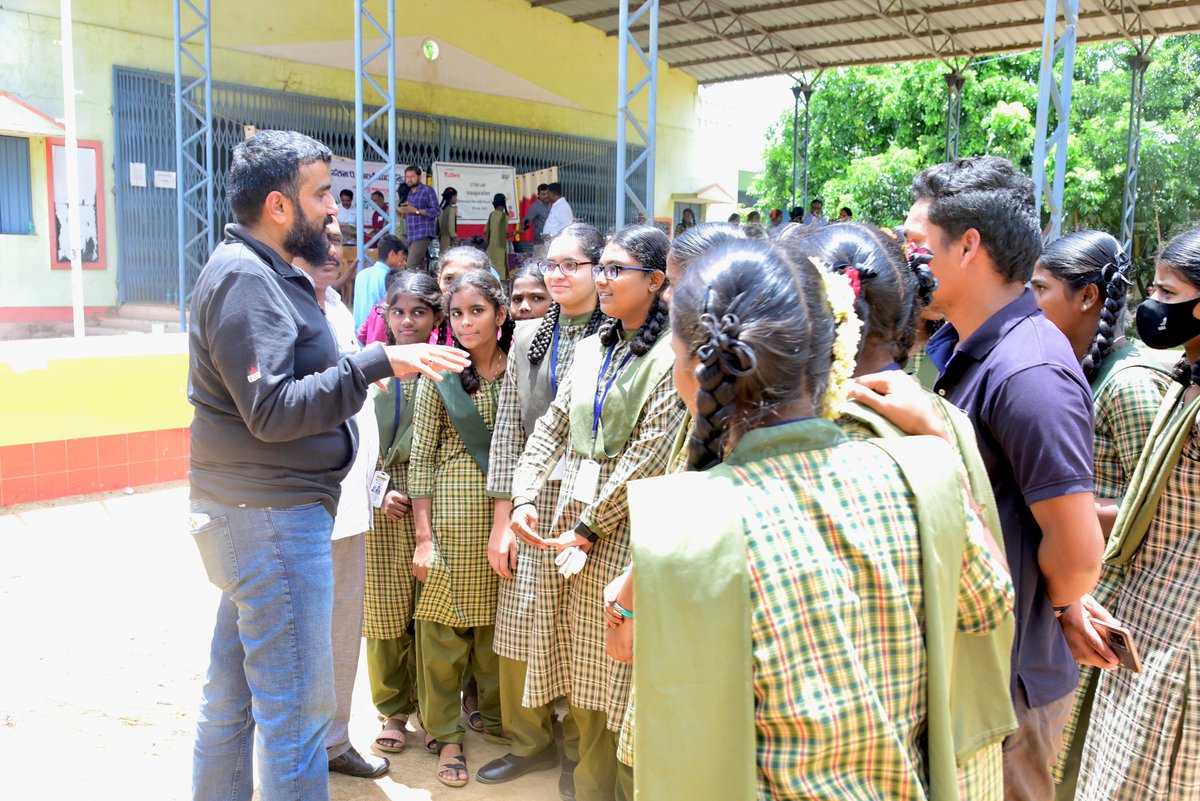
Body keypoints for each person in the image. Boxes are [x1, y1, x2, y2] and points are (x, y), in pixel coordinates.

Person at [627, 239, 1013, 800]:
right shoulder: (923, 471)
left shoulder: (683, 522)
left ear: (692, 367)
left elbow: (642, 666)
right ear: (829, 350)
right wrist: (938, 451)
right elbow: (989, 605)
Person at [186, 129, 469, 801]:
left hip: (262, 518)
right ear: (280, 206)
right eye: (322, 195)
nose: (336, 211)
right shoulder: (248, 279)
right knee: (295, 720)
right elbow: (273, 408)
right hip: (270, 524)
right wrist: (377, 361)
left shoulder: (262, 273)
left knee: (234, 699)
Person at [898, 156, 1103, 801]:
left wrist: (1066, 605)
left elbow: (1075, 550)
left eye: (916, 248)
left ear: (968, 247)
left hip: (1009, 684)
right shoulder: (968, 347)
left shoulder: (1028, 373)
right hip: (976, 666)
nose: (908, 265)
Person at [509, 224, 686, 801]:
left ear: (657, 282)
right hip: (569, 518)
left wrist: (589, 526)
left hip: (624, 528)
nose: (603, 280)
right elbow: (550, 428)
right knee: (579, 663)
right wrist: (527, 494)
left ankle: (611, 786)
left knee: (617, 667)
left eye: (615, 270)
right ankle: (587, 783)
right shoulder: (592, 347)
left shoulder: (669, 356)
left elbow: (651, 454)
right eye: (601, 267)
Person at [1030, 232, 1171, 799]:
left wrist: (1060, 509)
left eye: (1039, 290)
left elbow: (1159, 501)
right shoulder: (1079, 366)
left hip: (1114, 599)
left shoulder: (1130, 383)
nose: (1029, 303)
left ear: (1087, 298)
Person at [1066, 228, 1200, 801]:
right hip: (1147, 624)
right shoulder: (1185, 377)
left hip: (1181, 643)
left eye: (1167, 294)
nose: (1154, 307)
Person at [478, 222, 608, 796]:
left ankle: (579, 755)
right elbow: (509, 429)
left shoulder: (620, 330)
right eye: (550, 264)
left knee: (578, 625)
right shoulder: (530, 333)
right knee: (518, 619)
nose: (556, 274)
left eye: (570, 264)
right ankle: (528, 742)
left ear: (600, 270)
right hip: (532, 496)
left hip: (591, 496)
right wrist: (502, 521)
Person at [409, 269, 515, 788]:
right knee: (443, 633)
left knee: (498, 631)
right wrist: (424, 538)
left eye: (477, 310)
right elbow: (421, 460)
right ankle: (447, 735)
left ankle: (498, 723)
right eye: (456, 313)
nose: (467, 321)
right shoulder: (439, 373)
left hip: (505, 523)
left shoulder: (522, 368)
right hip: (450, 521)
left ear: (501, 312)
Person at [293, 217, 389, 780]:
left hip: (351, 506)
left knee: (341, 632)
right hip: (305, 507)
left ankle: (332, 742)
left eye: (342, 244)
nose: (335, 252)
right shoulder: (287, 311)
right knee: (297, 640)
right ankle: (297, 754)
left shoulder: (340, 311)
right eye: (324, 242)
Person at [363, 271, 445, 757]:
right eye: (398, 311)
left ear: (436, 317)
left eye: (419, 311)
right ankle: (392, 707)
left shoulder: (447, 372)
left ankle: (436, 712)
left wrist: (417, 494)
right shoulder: (367, 373)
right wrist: (378, 492)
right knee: (384, 615)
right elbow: (349, 446)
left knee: (430, 614)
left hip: (431, 510)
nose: (408, 321)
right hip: (380, 514)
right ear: (385, 315)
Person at [353, 233, 406, 333]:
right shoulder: (389, 278)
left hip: (358, 335)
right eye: (401, 257)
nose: (403, 263)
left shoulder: (361, 275)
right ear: (392, 254)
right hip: (375, 336)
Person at [399, 165, 440, 273]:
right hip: (410, 233)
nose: (409, 179)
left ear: (419, 177)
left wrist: (416, 210)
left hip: (423, 232)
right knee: (419, 265)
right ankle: (422, 287)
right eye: (407, 177)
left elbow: (436, 211)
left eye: (412, 176)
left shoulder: (427, 190)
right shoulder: (407, 193)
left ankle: (412, 288)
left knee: (411, 264)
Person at [484, 192, 511, 281]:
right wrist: (517, 232)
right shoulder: (503, 216)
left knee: (491, 273)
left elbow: (486, 231)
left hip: (490, 248)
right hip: (500, 248)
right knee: (500, 275)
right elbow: (502, 235)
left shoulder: (492, 214)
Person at [522, 184, 552, 254]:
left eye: (547, 193)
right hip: (540, 243)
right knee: (542, 264)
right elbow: (526, 220)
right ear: (538, 195)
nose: (546, 196)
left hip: (551, 242)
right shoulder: (535, 207)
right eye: (543, 194)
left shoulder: (550, 205)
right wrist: (523, 227)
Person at [438, 187, 459, 258]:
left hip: (441, 239)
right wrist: (456, 239)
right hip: (449, 240)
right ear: (451, 197)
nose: (456, 198)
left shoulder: (440, 209)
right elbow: (451, 228)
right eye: (455, 196)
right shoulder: (452, 209)